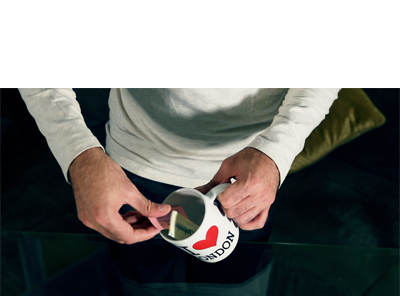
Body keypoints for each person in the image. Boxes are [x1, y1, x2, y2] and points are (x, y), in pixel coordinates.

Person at [18, 88, 340, 246]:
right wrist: (80, 158)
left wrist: (275, 152)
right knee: (140, 290)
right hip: (130, 166)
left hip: (245, 177)